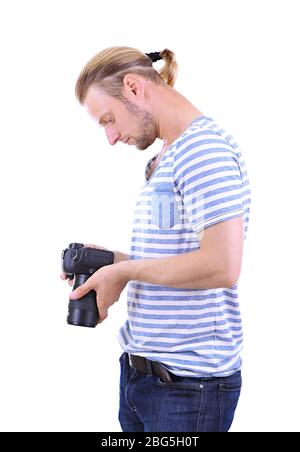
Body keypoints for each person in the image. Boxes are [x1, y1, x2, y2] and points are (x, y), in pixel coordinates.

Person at [61, 47, 251, 432]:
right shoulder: (165, 157)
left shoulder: (203, 150)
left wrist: (126, 271)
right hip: (141, 377)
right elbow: (182, 258)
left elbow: (222, 265)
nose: (111, 137)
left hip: (186, 389)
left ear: (133, 87)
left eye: (108, 120)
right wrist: (114, 262)